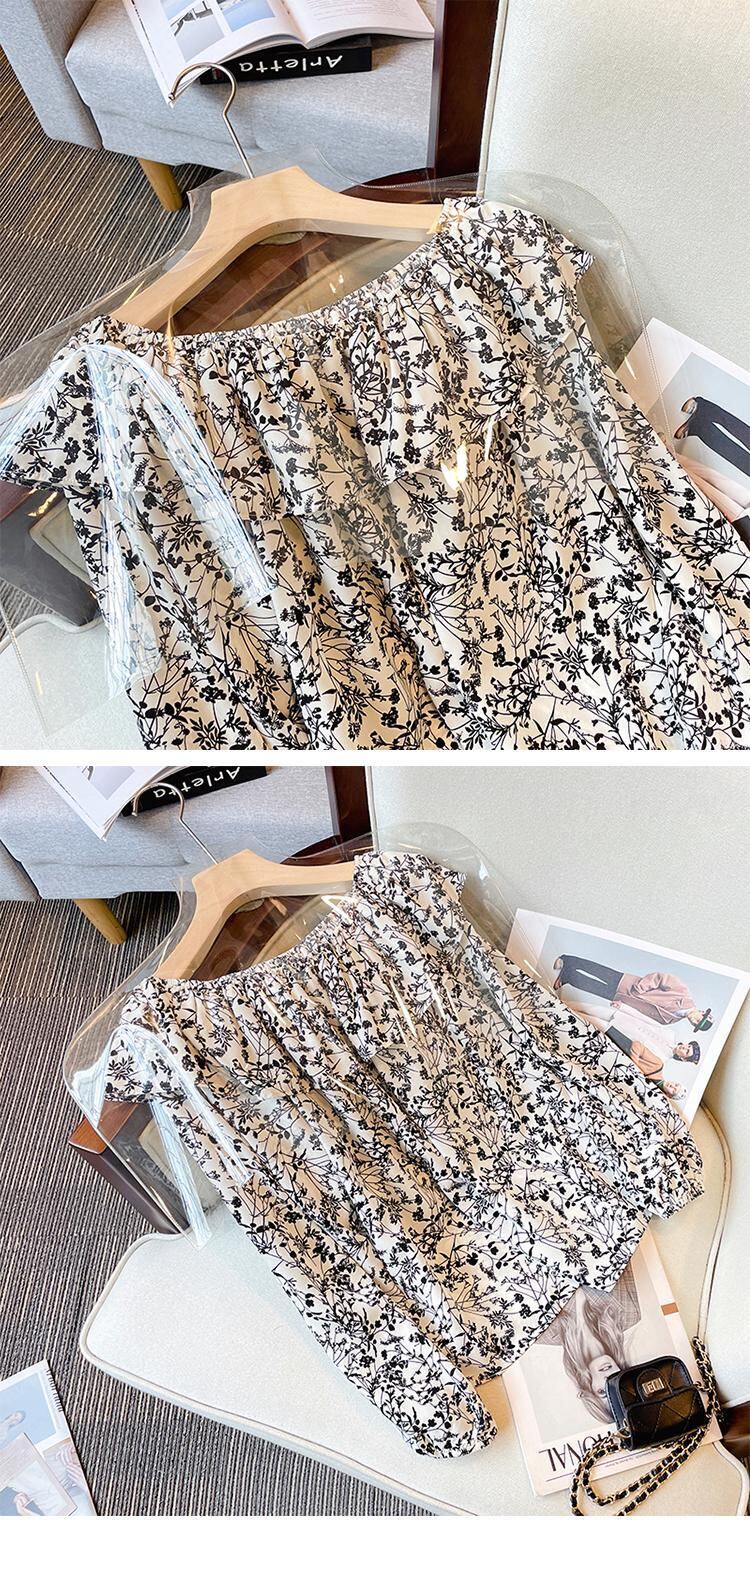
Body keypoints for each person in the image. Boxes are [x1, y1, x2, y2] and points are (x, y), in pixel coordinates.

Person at [553, 953, 713, 1030]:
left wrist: (622, 1008)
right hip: (629, 984)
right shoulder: (683, 994)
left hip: (623, 1000)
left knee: (591, 987)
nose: (694, 1021)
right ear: (702, 1012)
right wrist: (640, 987)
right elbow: (661, 978)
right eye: (699, 1019)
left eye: (696, 1024)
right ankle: (567, 960)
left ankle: (568, 977)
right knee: (598, 970)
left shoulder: (670, 1021)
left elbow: (640, 1016)